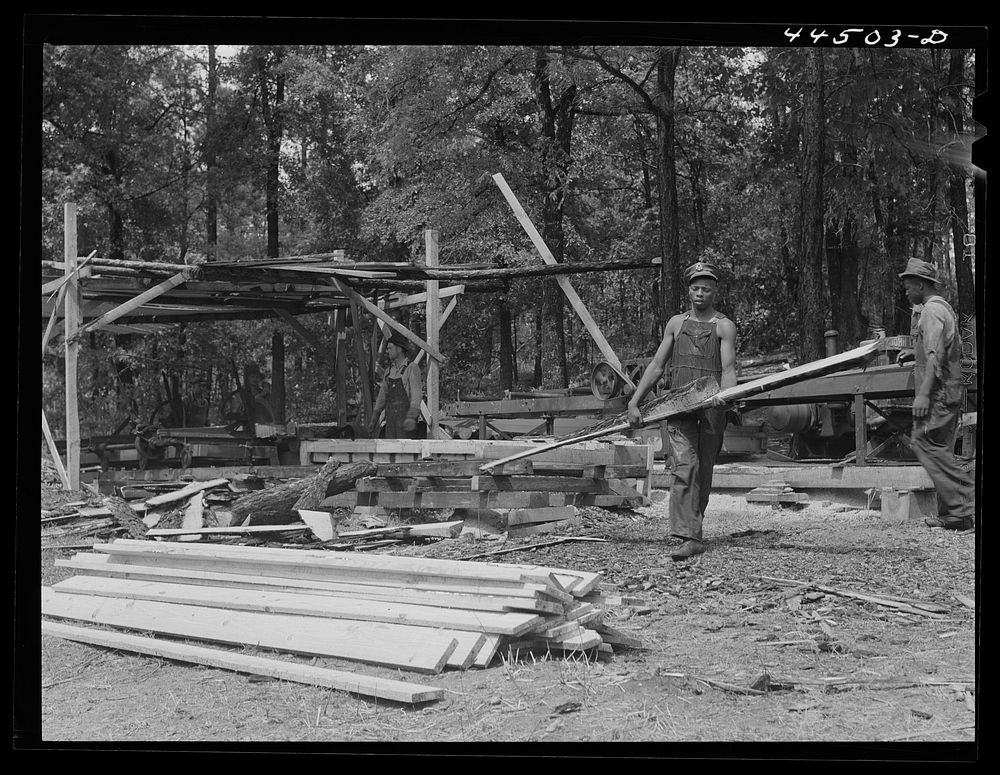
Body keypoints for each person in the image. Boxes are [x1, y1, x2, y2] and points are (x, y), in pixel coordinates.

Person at [626, 262, 738, 560]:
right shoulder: (676, 323)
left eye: (706, 289)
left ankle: (692, 528)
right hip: (678, 406)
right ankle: (688, 536)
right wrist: (634, 401)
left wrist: (725, 397)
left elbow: (728, 369)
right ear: (689, 290)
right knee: (684, 467)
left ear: (715, 292)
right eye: (696, 288)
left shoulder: (724, 326)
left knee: (703, 469)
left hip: (712, 407)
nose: (700, 293)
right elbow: (657, 366)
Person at [895, 258, 975, 530]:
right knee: (938, 448)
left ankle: (964, 503)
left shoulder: (930, 312)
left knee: (924, 443)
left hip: (938, 392)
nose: (906, 292)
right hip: (950, 390)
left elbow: (935, 356)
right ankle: (955, 515)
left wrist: (923, 395)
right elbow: (936, 347)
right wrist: (913, 350)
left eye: (908, 287)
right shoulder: (944, 308)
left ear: (920, 285)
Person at [370, 329, 423, 439]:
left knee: (406, 454)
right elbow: (381, 399)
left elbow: (416, 396)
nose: (387, 351)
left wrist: (411, 417)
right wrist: (373, 420)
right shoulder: (388, 372)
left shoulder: (411, 368)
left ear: (399, 349)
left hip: (406, 423)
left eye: (390, 348)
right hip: (391, 423)